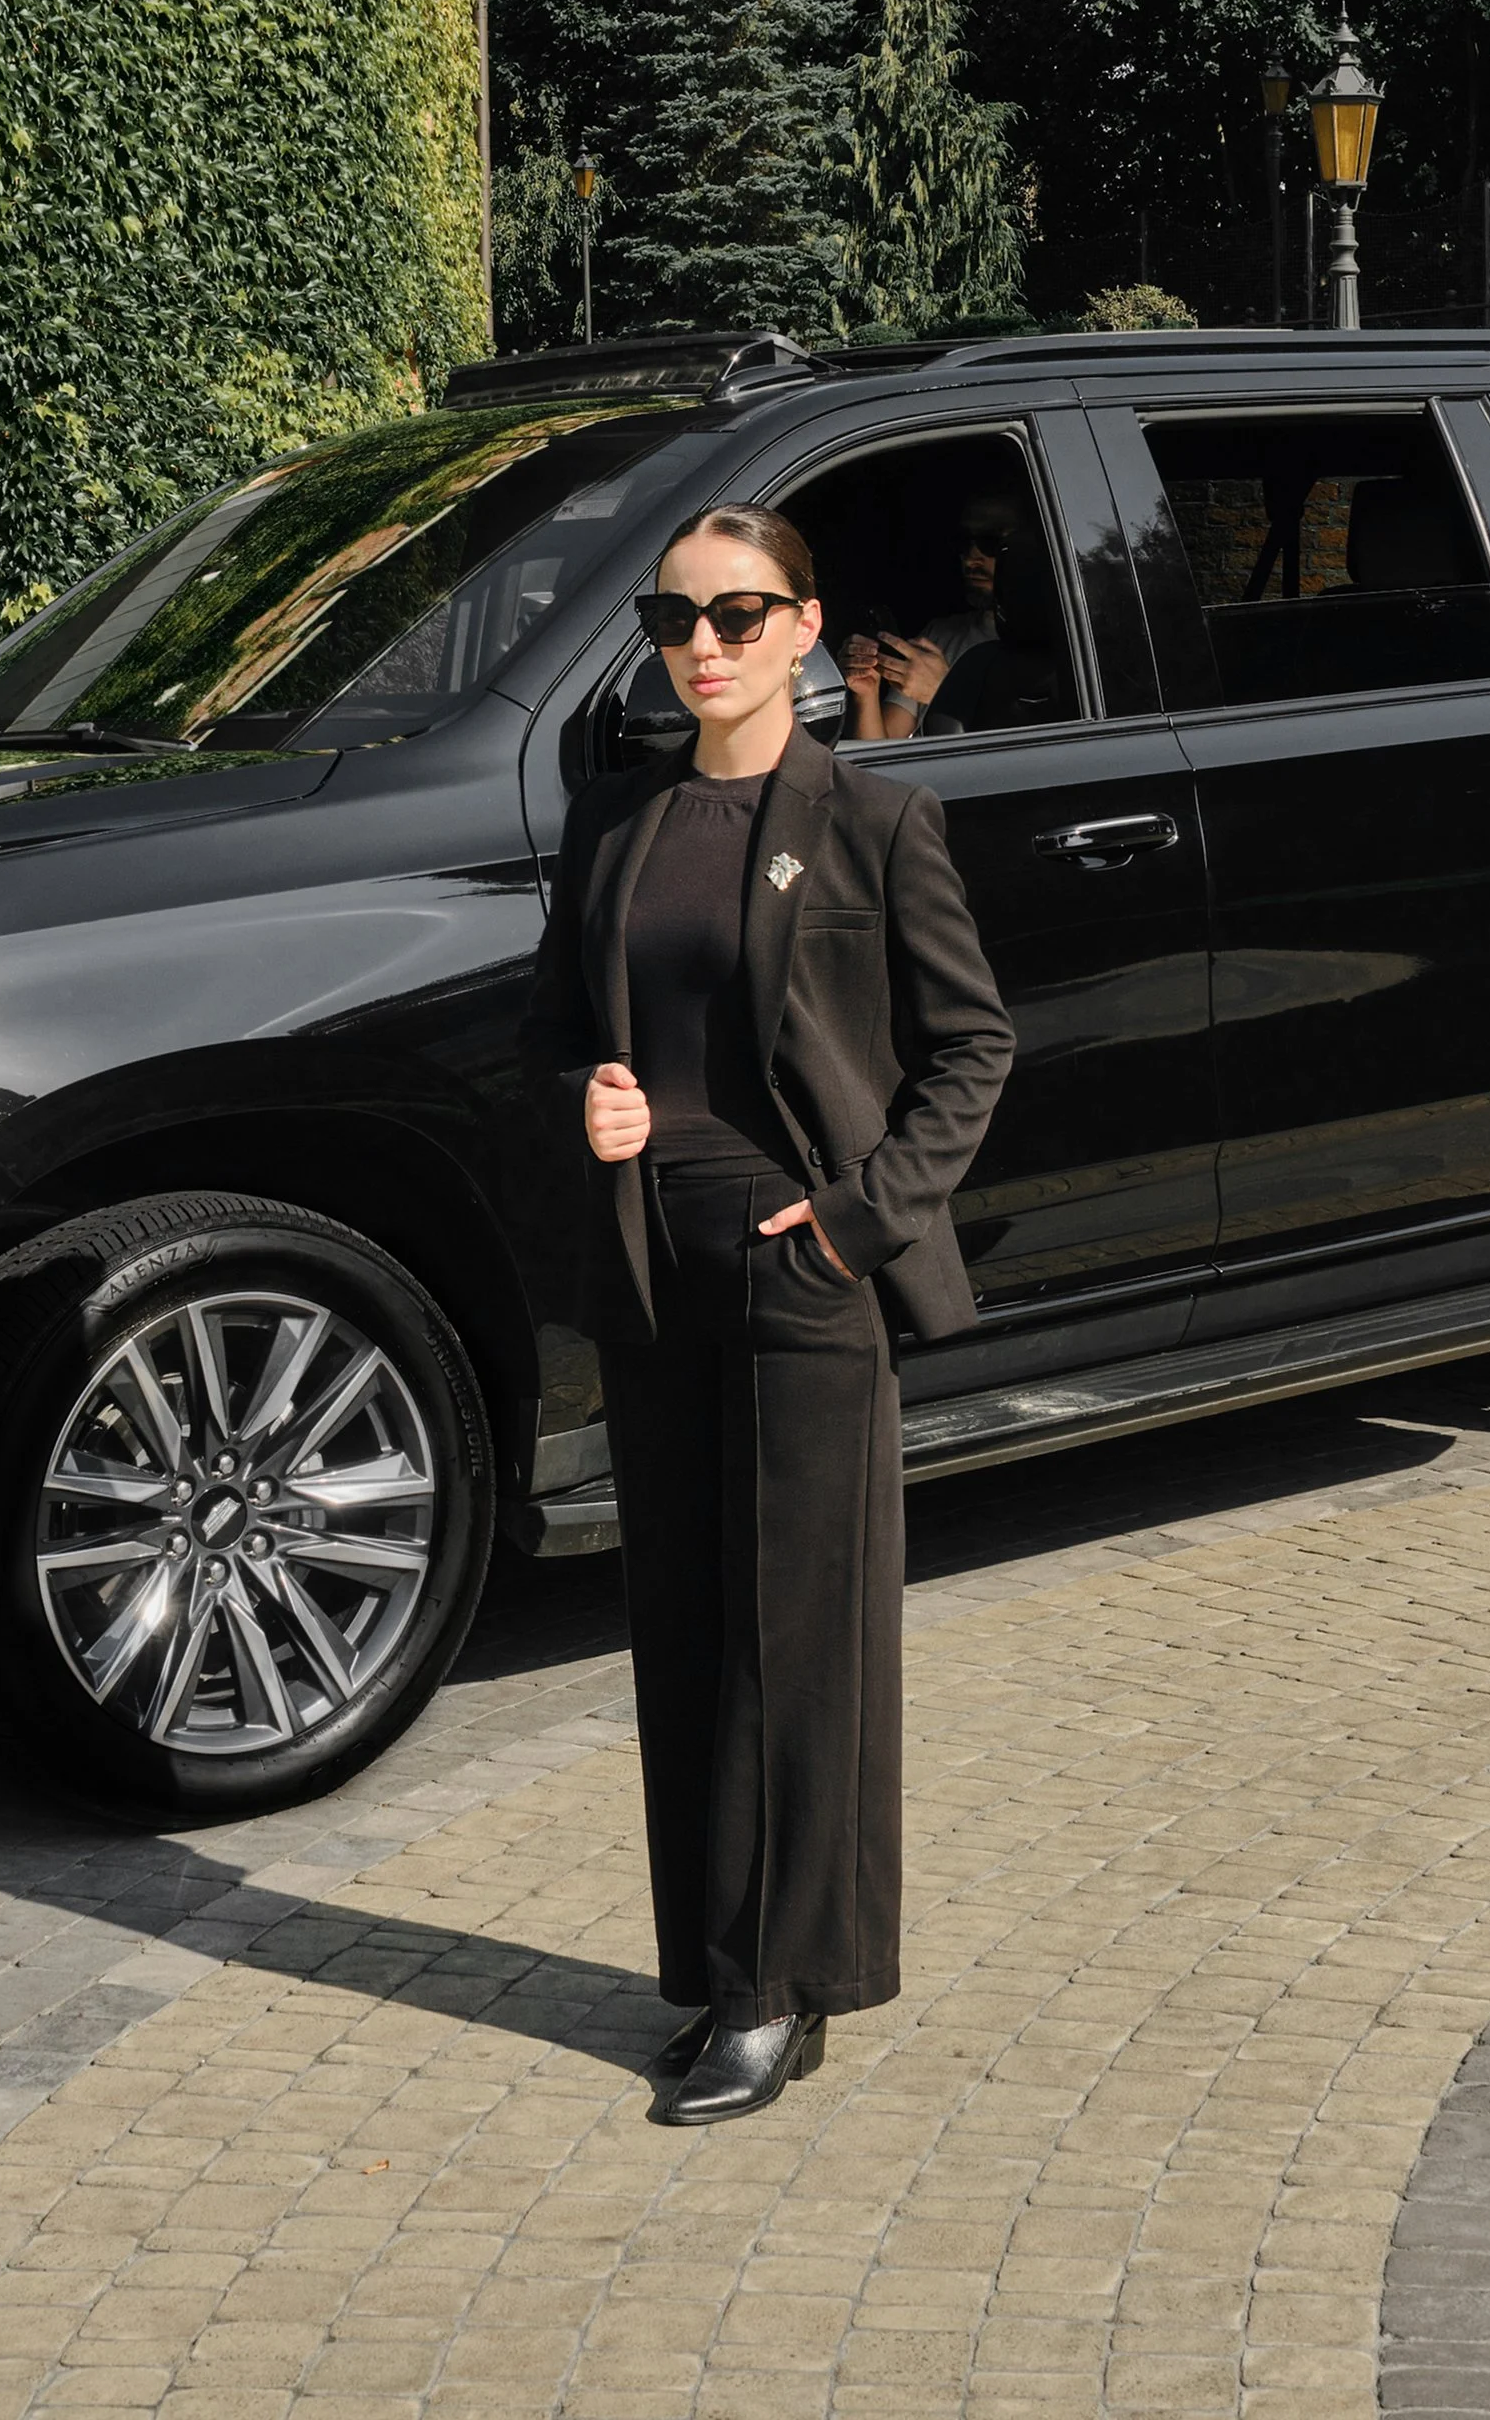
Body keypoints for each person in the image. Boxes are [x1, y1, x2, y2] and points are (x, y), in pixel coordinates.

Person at [520, 503, 1015, 2125]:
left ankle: (782, 1990)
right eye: (678, 616)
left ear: (804, 628)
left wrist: (860, 1220)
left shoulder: (871, 819)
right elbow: (550, 1037)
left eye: (740, 613)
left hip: (799, 1270)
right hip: (652, 1268)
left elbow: (972, 1048)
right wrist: (585, 1101)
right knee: (684, 1632)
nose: (705, 644)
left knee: (799, 1640)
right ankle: (713, 1963)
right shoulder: (614, 824)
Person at [842, 488, 1025, 740]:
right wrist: (866, 692)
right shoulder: (939, 637)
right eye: (963, 542)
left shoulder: (1063, 645)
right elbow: (879, 759)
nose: (971, 559)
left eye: (990, 542)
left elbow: (1031, 761)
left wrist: (945, 693)